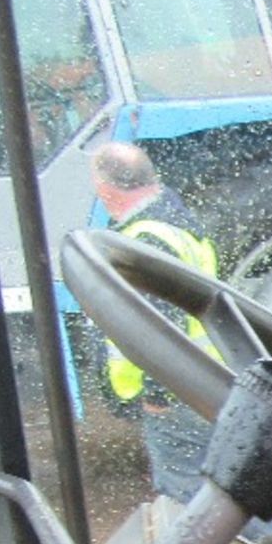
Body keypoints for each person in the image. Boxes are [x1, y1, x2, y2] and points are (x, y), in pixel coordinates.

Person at [91, 141, 237, 519]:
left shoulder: (145, 242)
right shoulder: (178, 225)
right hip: (202, 384)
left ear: (106, 191)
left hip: (176, 398)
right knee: (218, 498)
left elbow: (159, 328)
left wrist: (158, 393)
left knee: (186, 508)